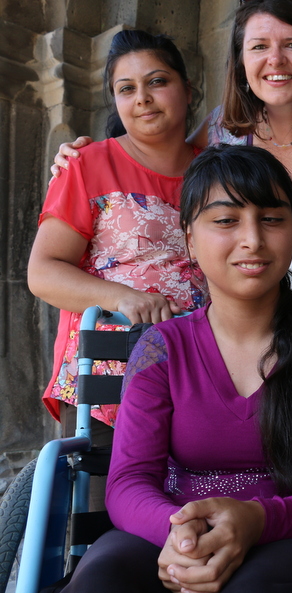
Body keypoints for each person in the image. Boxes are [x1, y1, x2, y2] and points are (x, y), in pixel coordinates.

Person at [52, 0, 292, 422]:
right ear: (242, 61)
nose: (276, 60)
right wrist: (83, 158)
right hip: (249, 324)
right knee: (244, 445)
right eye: (260, 46)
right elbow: (165, 165)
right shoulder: (227, 127)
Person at [54, 144, 292, 593]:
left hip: (288, 534)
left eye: (272, 219)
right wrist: (181, 535)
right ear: (190, 241)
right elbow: (129, 481)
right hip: (168, 530)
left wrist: (255, 521)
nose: (253, 240)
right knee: (99, 580)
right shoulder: (161, 349)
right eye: (225, 220)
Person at [29, 29, 206, 434]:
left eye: (158, 81)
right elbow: (42, 272)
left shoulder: (217, 171)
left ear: (188, 90)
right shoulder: (87, 165)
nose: (142, 97)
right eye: (126, 88)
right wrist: (125, 298)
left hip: (204, 372)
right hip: (109, 378)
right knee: (104, 496)